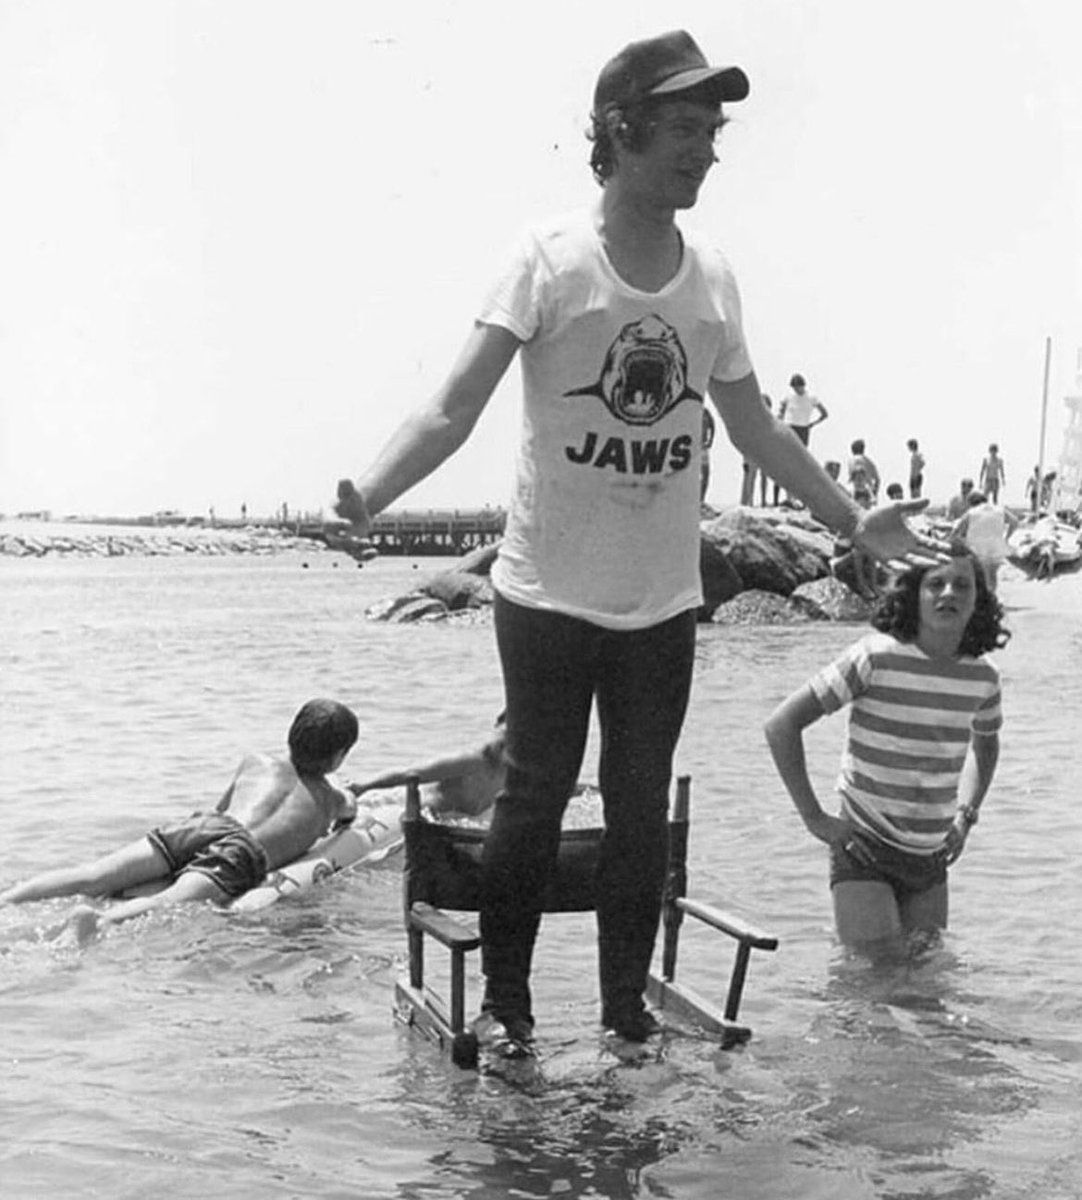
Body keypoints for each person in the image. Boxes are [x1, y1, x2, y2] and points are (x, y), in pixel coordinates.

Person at [333, 29, 939, 1056]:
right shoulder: (548, 259)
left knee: (637, 801)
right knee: (533, 794)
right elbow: (453, 405)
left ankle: (622, 1014)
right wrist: (373, 493)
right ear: (619, 131)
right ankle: (510, 1008)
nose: (707, 151)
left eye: (714, 132)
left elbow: (753, 428)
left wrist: (848, 521)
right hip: (544, 591)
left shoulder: (713, 279)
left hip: (661, 600)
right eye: (684, 129)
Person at [764, 546, 1007, 956]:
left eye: (962, 585)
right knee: (871, 976)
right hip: (865, 846)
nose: (948, 593)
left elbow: (986, 746)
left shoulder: (983, 678)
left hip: (931, 856)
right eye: (936, 584)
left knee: (925, 979)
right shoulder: (875, 657)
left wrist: (966, 817)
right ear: (914, 595)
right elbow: (782, 725)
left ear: (978, 600)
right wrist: (815, 818)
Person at [0, 700, 361, 941]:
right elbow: (349, 812)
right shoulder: (331, 799)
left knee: (93, 874)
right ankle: (98, 922)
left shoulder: (256, 761)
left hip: (204, 826)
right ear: (339, 756)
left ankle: (9, 898)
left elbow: (221, 808)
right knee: (171, 900)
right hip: (243, 852)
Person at [349, 714, 507, 820]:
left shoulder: (513, 773)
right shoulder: (472, 761)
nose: (509, 742)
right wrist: (364, 786)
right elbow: (411, 774)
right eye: (504, 737)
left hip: (451, 821)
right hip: (404, 806)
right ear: (497, 726)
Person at [951, 489, 1018, 592]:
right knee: (992, 574)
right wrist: (1007, 537)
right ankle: (992, 594)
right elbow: (1015, 522)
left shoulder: (971, 512)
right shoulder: (1000, 510)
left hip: (977, 548)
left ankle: (984, 597)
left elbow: (957, 530)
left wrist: (957, 540)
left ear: (972, 503)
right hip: (996, 546)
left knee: (981, 575)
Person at [778, 373, 829, 446]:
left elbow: (824, 414)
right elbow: (781, 411)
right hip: (790, 427)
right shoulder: (788, 397)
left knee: (801, 450)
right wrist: (780, 423)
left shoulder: (811, 398)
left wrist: (812, 424)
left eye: (798, 387)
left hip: (803, 428)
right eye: (794, 388)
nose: (796, 390)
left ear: (803, 386)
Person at [847, 439, 880, 508]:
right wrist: (874, 492)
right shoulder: (867, 461)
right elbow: (877, 479)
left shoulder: (850, 461)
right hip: (865, 493)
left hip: (855, 492)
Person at [700, 404, 716, 502]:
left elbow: (712, 426)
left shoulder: (705, 412)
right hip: (692, 447)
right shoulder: (691, 411)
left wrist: (710, 440)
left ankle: (702, 499)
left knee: (705, 473)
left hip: (703, 447)